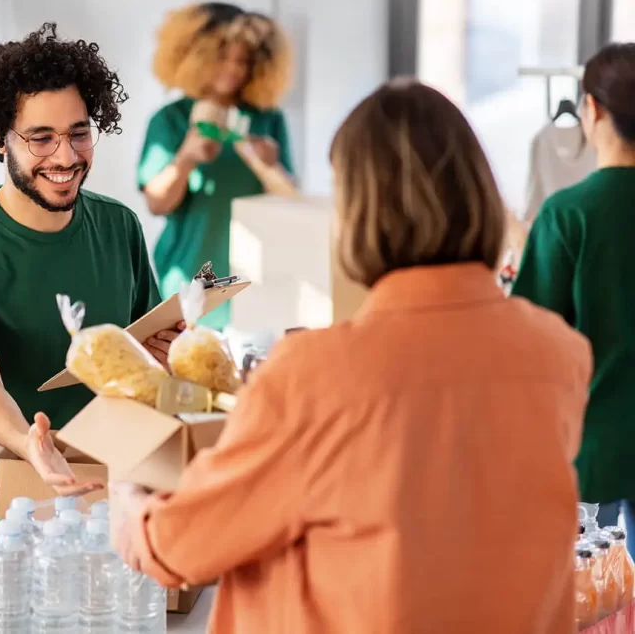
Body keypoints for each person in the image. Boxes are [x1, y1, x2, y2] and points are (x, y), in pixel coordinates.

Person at [111, 80, 591, 633]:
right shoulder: (558, 353)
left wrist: (128, 499)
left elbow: (180, 547)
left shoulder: (316, 374)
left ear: (360, 213)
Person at [0, 23, 178, 513]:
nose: (66, 156)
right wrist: (29, 441)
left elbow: (144, 351)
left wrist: (168, 354)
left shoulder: (119, 226)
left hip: (112, 478)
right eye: (41, 139)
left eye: (79, 133)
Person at [511, 42, 635, 547]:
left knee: (592, 604)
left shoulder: (568, 215)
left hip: (592, 453)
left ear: (592, 109)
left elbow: (530, 338)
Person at [138, 2, 297, 331]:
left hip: (257, 274)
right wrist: (185, 158)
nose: (233, 69)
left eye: (242, 60)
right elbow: (156, 203)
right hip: (190, 271)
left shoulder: (268, 119)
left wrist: (270, 166)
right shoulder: (171, 120)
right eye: (221, 57)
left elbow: (289, 201)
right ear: (196, 57)